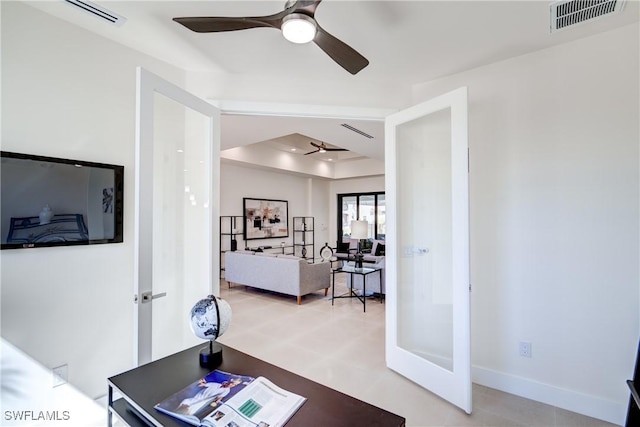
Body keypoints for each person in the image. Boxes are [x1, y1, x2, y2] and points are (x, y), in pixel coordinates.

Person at [176, 378, 242, 415]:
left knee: (186, 412)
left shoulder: (226, 391)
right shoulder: (215, 384)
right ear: (230, 381)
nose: (232, 385)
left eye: (234, 385)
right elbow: (202, 385)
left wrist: (216, 402)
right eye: (233, 383)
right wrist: (200, 382)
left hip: (199, 404)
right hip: (194, 399)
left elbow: (219, 398)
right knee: (183, 403)